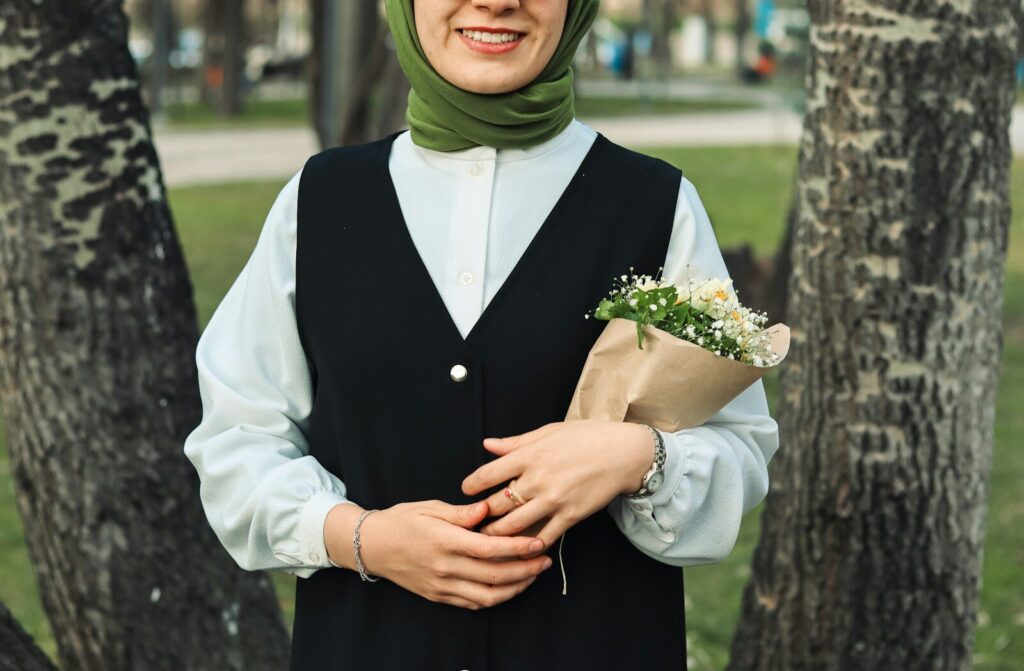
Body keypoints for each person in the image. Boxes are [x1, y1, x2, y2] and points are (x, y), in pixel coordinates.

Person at [183, 0, 780, 668]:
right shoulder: (317, 203)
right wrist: (361, 537)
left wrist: (637, 457)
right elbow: (237, 441)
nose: (496, 2)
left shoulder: (657, 205)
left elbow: (739, 450)